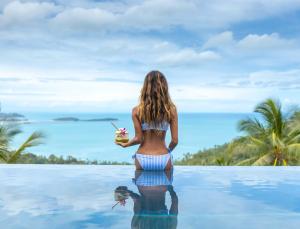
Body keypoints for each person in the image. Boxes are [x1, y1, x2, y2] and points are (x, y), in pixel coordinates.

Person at [115, 70, 178, 170]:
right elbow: (174, 141)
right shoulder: (171, 110)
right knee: (165, 185)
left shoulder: (136, 111)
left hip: (142, 158)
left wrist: (126, 144)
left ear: (145, 88)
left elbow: (139, 138)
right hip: (164, 157)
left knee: (142, 184)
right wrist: (168, 151)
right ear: (164, 88)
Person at [113, 170, 178, 229]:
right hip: (142, 180)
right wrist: (123, 195)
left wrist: (169, 187)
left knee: (169, 172)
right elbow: (137, 199)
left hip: (162, 182)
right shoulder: (136, 227)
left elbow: (175, 200)